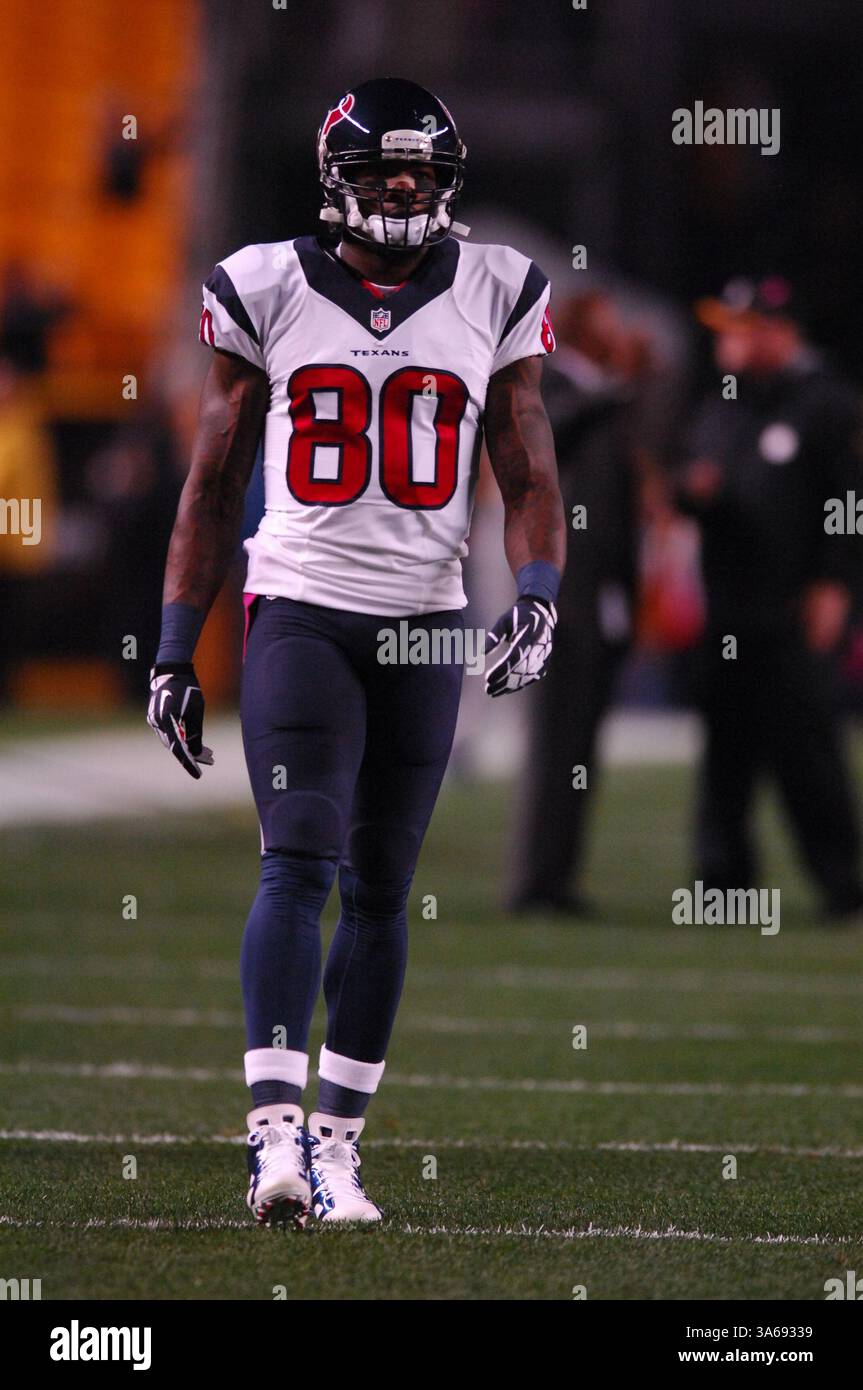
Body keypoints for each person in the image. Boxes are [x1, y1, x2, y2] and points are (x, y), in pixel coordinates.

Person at [147, 79, 566, 1227]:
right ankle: (272, 1136)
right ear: (335, 179)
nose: (402, 188)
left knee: (382, 892)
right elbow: (213, 478)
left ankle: (338, 1148)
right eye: (385, 170)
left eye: (423, 173)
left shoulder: (497, 284)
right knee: (298, 863)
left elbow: (526, 464)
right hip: (303, 606)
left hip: (424, 618)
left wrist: (536, 592)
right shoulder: (264, 282)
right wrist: (175, 647)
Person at [676, 276, 863, 921]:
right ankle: (722, 887)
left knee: (806, 748)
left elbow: (850, 503)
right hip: (727, 606)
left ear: (778, 332)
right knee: (725, 751)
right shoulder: (721, 404)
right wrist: (688, 493)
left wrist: (837, 583)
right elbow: (692, 482)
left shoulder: (827, 404)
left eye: (740, 327)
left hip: (794, 607)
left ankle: (842, 883)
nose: (724, 341)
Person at [509, 293, 649, 915]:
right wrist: (616, 389)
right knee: (555, 742)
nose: (622, 332)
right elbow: (550, 433)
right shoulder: (554, 383)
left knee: (581, 747)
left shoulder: (604, 396)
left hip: (600, 597)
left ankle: (558, 878)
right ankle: (534, 881)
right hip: (557, 594)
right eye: (610, 321)